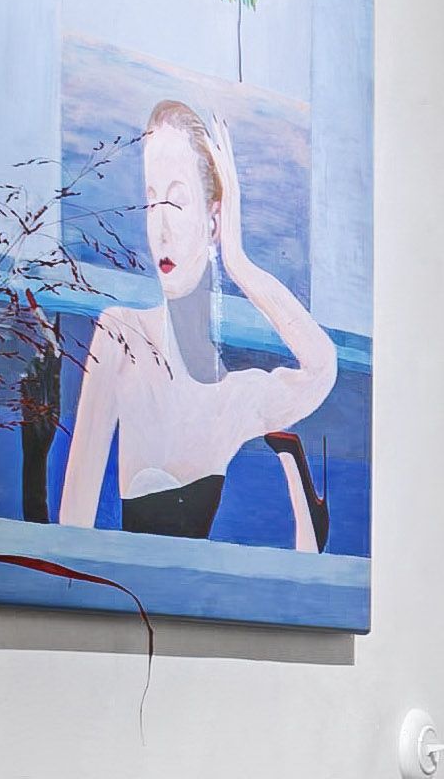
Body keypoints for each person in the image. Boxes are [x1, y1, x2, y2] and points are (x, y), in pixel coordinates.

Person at [53, 99, 336, 543]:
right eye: (152, 203)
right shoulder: (120, 334)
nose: (160, 228)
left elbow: (321, 368)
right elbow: (72, 528)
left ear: (213, 221)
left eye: (178, 202)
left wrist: (237, 259)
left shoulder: (234, 398)